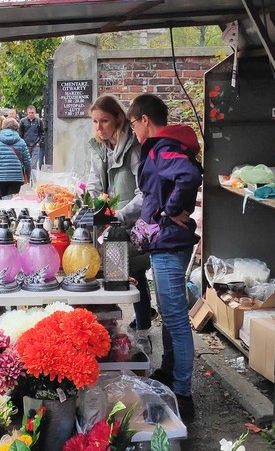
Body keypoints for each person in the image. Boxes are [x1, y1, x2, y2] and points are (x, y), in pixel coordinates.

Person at [127, 93, 203, 422]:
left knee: (175, 319)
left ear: (145, 120)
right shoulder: (165, 146)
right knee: (171, 316)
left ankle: (183, 394)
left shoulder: (162, 147)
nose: (133, 131)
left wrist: (169, 211)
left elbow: (189, 176)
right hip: (167, 242)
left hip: (170, 243)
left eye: (133, 124)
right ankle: (170, 372)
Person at [86, 95, 152, 330]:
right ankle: (107, 326)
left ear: (118, 118)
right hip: (108, 222)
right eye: (95, 122)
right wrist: (92, 205)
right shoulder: (99, 147)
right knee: (107, 272)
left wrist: (120, 215)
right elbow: (94, 181)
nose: (99, 127)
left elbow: (144, 193)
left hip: (132, 222)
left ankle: (143, 327)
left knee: (135, 271)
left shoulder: (134, 148)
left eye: (104, 121)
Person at [0, 117, 30, 198]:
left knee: (3, 202)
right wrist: (28, 175)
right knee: (14, 201)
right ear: (16, 127)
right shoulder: (21, 142)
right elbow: (27, 162)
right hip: (16, 177)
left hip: (1, 177)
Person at [20, 105, 45, 170]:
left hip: (35, 145)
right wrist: (22, 143)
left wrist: (39, 143)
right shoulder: (23, 121)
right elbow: (20, 133)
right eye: (29, 112)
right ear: (27, 112)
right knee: (26, 163)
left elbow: (42, 133)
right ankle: (27, 175)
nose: (31, 114)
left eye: (32, 112)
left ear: (35, 112)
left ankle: (33, 176)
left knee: (34, 164)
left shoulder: (39, 121)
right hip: (26, 145)